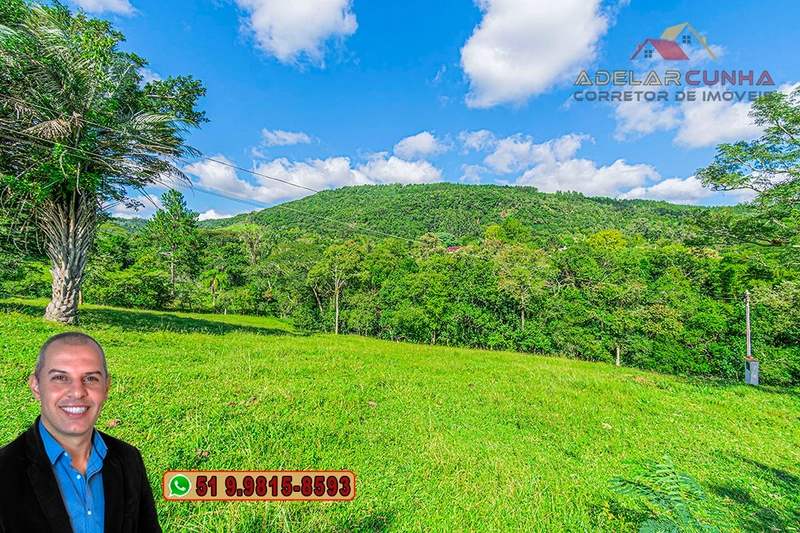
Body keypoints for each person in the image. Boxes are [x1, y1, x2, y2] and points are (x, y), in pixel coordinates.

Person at [0, 332, 162, 533]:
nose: (77, 392)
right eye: (60, 378)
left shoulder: (129, 459)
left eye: (91, 378)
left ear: (106, 387)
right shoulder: (4, 470)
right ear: (36, 387)